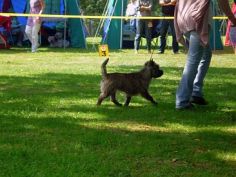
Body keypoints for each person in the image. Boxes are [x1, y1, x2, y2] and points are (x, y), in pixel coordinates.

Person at [174, 0, 236, 110]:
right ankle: (182, 101)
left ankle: (196, 92)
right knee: (193, 60)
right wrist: (233, 19)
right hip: (196, 19)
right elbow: (223, 1)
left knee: (206, 55)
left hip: (183, 17)